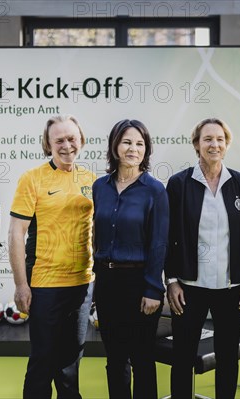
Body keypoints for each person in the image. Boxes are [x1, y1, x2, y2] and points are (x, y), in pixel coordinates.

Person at [165, 117, 240, 399]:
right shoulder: (178, 184)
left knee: (228, 358)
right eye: (207, 139)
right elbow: (168, 237)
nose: (214, 144)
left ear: (227, 144)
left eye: (220, 139)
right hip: (189, 286)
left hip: (231, 288)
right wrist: (171, 280)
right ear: (197, 144)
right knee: (182, 357)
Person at [9, 115, 96, 399]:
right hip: (44, 285)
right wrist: (22, 285)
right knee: (43, 362)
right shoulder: (32, 179)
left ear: (81, 140)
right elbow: (15, 234)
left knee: (71, 364)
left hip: (83, 285)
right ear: (48, 144)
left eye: (72, 138)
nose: (67, 145)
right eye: (59, 140)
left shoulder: (92, 181)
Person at [92, 119, 169, 398]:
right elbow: (95, 235)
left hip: (139, 283)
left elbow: (159, 243)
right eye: (126, 142)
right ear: (115, 146)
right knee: (115, 359)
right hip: (107, 282)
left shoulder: (155, 190)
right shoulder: (100, 186)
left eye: (139, 143)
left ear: (146, 150)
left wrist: (152, 289)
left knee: (142, 359)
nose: (133, 148)